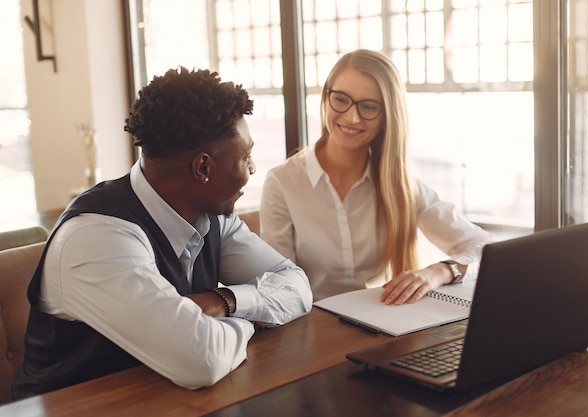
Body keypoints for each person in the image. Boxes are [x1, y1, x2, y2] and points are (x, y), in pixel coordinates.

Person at [12, 67, 313, 399]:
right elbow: (202, 359)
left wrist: (225, 301)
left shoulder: (212, 216)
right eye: (245, 157)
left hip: (171, 401)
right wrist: (251, 319)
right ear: (203, 168)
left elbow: (296, 286)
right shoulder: (97, 238)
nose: (253, 169)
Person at [260, 49, 492, 303]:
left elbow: (485, 250)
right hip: (311, 326)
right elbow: (278, 287)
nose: (352, 116)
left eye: (368, 106)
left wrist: (440, 271)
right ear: (326, 98)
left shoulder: (399, 184)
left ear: (386, 117)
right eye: (341, 99)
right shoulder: (282, 182)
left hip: (382, 320)